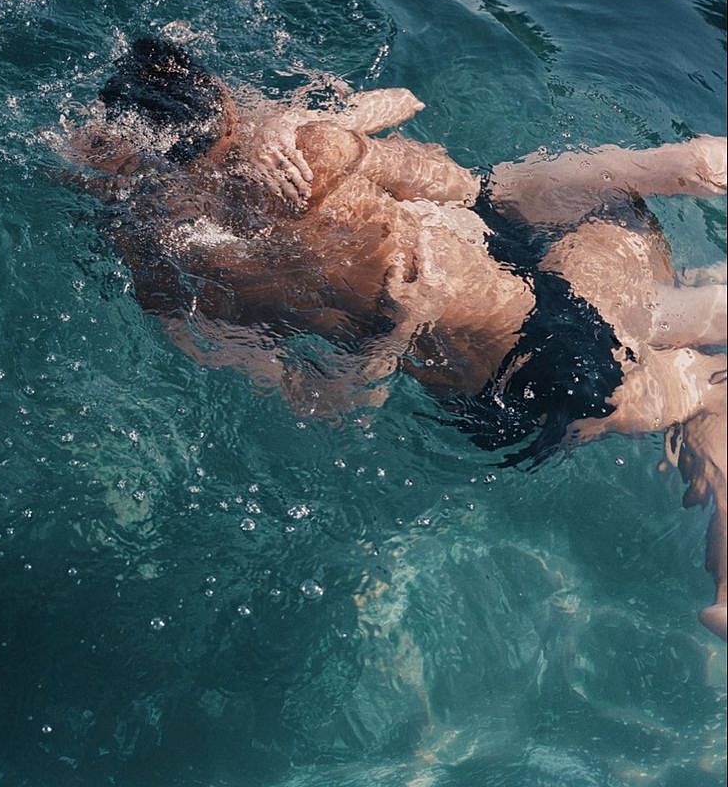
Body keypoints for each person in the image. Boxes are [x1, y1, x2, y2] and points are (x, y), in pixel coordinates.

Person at [53, 37, 727, 639]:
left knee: (590, 199)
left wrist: (313, 125)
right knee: (701, 385)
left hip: (504, 263)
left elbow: (414, 116)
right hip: (536, 365)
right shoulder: (184, 272)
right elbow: (329, 408)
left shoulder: (183, 239)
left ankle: (680, 302)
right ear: (222, 108)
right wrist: (391, 330)